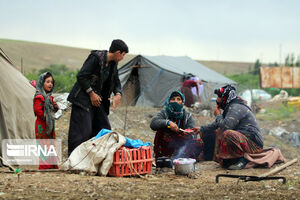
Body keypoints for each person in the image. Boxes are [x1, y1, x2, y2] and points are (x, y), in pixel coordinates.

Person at [67, 39, 128, 156]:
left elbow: (116, 81)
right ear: (118, 52)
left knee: (104, 128)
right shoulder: (95, 58)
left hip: (98, 101)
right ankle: (74, 160)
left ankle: (97, 157)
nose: (122, 58)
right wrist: (91, 93)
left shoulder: (113, 64)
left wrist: (118, 94)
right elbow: (81, 76)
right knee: (82, 131)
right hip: (82, 99)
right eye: (123, 55)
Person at [193, 85, 264, 170]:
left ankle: (242, 160)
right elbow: (218, 124)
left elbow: (226, 126)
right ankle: (210, 157)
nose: (217, 100)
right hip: (243, 140)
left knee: (227, 133)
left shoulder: (236, 107)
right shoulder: (230, 107)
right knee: (209, 131)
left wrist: (218, 116)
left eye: (219, 96)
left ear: (225, 97)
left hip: (253, 144)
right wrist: (201, 129)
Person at [150, 91, 203, 161]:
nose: (175, 101)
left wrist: (188, 135)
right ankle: (163, 157)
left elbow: (192, 131)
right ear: (169, 101)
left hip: (182, 144)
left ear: (182, 102)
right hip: (167, 145)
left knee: (198, 142)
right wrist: (168, 123)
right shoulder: (164, 113)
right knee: (161, 131)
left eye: (178, 99)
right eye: (173, 99)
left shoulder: (187, 116)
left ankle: (185, 157)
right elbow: (153, 124)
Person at [33, 72, 59, 169]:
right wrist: (46, 116)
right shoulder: (39, 97)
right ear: (41, 83)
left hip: (49, 125)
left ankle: (52, 164)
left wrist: (55, 107)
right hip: (42, 126)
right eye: (47, 82)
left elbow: (52, 111)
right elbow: (37, 110)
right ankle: (45, 165)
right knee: (44, 144)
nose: (50, 84)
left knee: (51, 143)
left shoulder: (50, 98)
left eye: (51, 82)